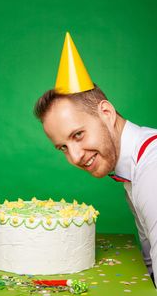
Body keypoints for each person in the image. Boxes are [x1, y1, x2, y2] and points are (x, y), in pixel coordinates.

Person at [34, 32, 157, 286]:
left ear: (106, 112)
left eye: (78, 134)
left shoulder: (152, 171)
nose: (75, 157)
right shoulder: (132, 169)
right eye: (63, 148)